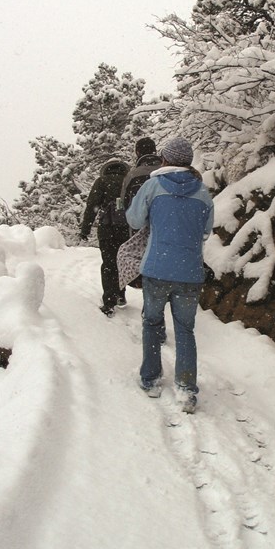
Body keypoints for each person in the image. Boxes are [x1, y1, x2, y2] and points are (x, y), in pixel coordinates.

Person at [126, 137, 213, 412]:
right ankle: (186, 389)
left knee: (152, 323)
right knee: (186, 329)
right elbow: (206, 231)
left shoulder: (152, 186)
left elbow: (134, 220)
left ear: (165, 159)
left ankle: (151, 379)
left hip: (157, 268)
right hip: (190, 271)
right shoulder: (203, 192)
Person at [79, 156, 130, 317]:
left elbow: (91, 207)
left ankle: (109, 301)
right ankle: (121, 294)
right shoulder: (128, 180)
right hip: (126, 229)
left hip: (107, 230)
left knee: (109, 264)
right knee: (122, 261)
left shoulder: (101, 182)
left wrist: (85, 230)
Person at [120, 137, 163, 216]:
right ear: (155, 151)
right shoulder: (166, 171)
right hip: (165, 221)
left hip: (139, 223)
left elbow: (124, 203)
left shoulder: (132, 175)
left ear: (137, 153)